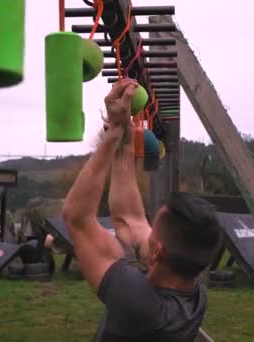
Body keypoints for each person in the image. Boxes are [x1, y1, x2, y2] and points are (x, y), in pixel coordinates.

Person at [63, 79, 222, 341]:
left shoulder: (139, 305)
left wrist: (113, 133)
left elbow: (77, 218)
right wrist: (124, 145)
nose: (145, 229)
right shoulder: (194, 296)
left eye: (153, 229)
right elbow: (130, 220)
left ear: (157, 252)